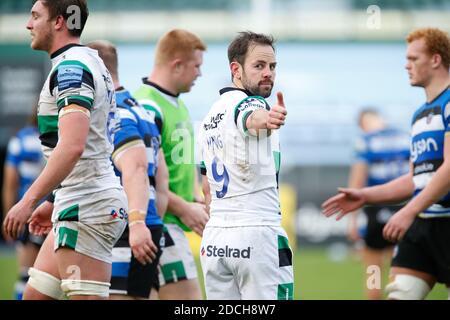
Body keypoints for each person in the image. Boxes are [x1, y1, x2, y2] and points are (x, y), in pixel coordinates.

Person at [3, 0, 128, 300]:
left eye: (35, 16)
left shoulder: (72, 67)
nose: (28, 24)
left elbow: (72, 146)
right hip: (77, 199)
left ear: (59, 21)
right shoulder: (86, 60)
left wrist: (29, 201)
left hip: (87, 206)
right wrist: (55, 198)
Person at [322, 27, 450, 300]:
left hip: (434, 219)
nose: (406, 65)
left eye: (414, 58)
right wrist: (366, 196)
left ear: (436, 60)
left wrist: (408, 211)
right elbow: (417, 178)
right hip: (421, 224)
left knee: (374, 273)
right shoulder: (418, 116)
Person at [198, 31, 294, 300]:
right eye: (259, 66)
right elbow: (251, 117)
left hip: (216, 238)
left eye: (272, 66)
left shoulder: (207, 119)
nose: (268, 73)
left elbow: (206, 188)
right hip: (257, 233)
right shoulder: (251, 102)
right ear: (235, 69)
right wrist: (268, 118)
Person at [86, 40, 169, 300]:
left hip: (126, 226)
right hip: (149, 223)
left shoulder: (115, 113)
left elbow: (135, 168)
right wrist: (151, 221)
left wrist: (136, 223)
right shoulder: (142, 111)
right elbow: (161, 182)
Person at [133, 29, 209, 300]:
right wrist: (183, 207)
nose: (200, 74)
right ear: (177, 65)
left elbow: (172, 171)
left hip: (167, 225)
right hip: (158, 224)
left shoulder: (176, 103)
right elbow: (140, 174)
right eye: (196, 66)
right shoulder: (146, 106)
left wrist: (193, 200)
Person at [347, 109, 410, 299]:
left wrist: (353, 220)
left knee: (373, 269)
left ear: (362, 124)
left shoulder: (365, 140)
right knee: (398, 269)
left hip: (375, 210)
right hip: (404, 209)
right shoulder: (405, 137)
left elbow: (358, 181)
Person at [2, 109, 45, 300]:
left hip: (29, 215)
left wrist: (8, 217)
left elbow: (10, 183)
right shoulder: (59, 137)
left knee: (26, 275)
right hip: (55, 211)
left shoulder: (19, 140)